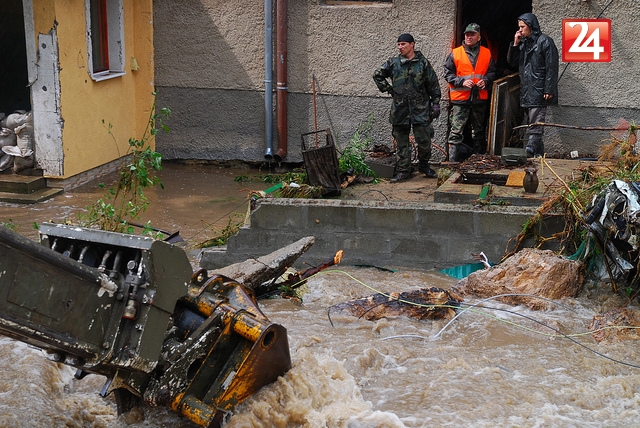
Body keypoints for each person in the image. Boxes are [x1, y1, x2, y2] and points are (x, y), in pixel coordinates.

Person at [373, 33, 441, 182]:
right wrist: (389, 89)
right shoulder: (393, 63)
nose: (400, 47)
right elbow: (377, 74)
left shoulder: (422, 63)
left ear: (412, 44)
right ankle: (403, 171)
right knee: (402, 143)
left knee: (424, 141)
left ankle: (424, 165)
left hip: (420, 109)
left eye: (403, 44)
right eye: (398, 44)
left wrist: (435, 103)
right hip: (400, 110)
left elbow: (433, 84)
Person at [507, 13, 559, 158]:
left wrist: (549, 89)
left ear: (531, 26)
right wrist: (515, 44)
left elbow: (552, 67)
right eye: (519, 27)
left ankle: (529, 150)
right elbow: (512, 63)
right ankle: (538, 155)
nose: (520, 30)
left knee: (536, 122)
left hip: (539, 89)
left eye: (522, 27)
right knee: (532, 122)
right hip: (527, 90)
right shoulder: (524, 44)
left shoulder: (545, 41)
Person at [443, 23, 496, 163]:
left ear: (479, 37)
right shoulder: (455, 53)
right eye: (467, 34)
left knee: (479, 132)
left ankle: (478, 162)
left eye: (472, 34)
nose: (469, 37)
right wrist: (461, 82)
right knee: (456, 132)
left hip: (479, 99)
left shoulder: (487, 53)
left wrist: (485, 81)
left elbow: (492, 72)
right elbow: (447, 73)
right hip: (460, 100)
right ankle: (453, 163)